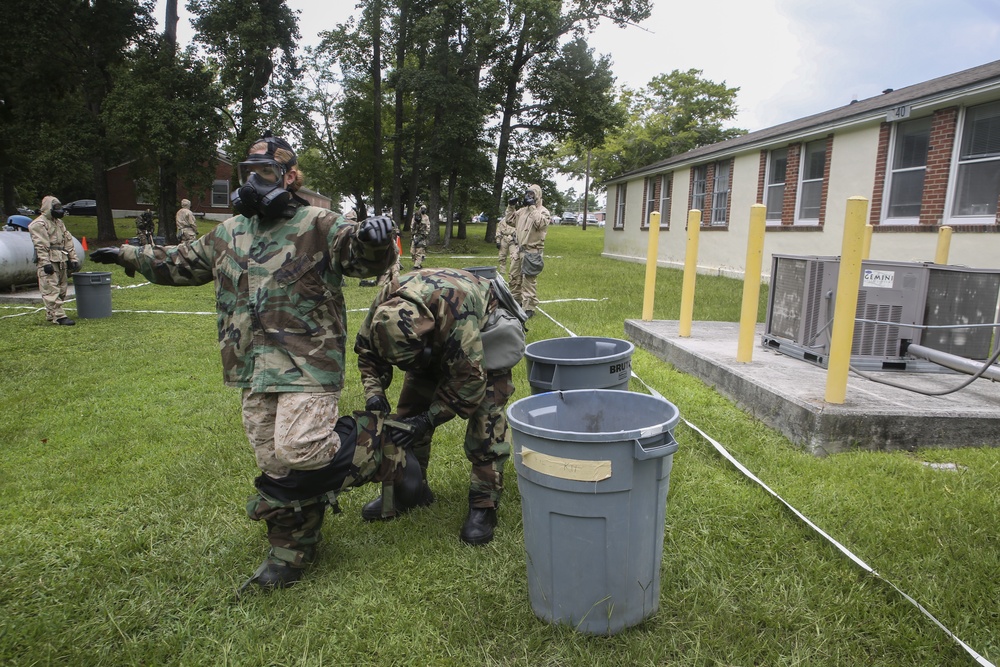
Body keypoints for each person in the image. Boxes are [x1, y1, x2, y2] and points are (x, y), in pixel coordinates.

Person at [90, 131, 402, 591]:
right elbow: (181, 262)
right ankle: (291, 550)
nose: (254, 182)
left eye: (267, 173)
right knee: (274, 462)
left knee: (300, 448)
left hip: (308, 362)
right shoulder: (230, 233)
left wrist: (376, 239)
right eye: (248, 173)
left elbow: (360, 259)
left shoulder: (321, 223)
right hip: (253, 366)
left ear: (290, 176)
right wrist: (127, 254)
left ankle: (384, 446)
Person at [354, 268, 523, 546]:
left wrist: (428, 420)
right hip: (436, 337)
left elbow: (470, 384)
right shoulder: (384, 305)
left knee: (486, 422)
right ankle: (413, 489)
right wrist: (374, 394)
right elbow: (367, 352)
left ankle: (484, 505)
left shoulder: (458, 314)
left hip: (484, 332)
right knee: (408, 413)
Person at [29, 195, 80, 326]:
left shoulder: (59, 223)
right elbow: (41, 245)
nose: (60, 210)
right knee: (51, 288)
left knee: (62, 288)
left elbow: (68, 240)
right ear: (48, 208)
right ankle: (59, 316)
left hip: (61, 258)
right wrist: (45, 263)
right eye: (56, 207)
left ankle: (51, 313)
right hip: (49, 259)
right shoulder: (38, 224)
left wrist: (72, 257)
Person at [510, 184, 550, 319]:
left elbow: (540, 224)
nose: (528, 196)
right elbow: (510, 221)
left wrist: (533, 206)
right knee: (514, 278)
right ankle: (516, 303)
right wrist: (511, 206)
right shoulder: (522, 211)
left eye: (532, 194)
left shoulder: (543, 211)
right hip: (519, 250)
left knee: (528, 280)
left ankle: (529, 308)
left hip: (532, 251)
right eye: (527, 194)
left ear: (537, 195)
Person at [495, 196, 519, 280]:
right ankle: (502, 271)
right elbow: (498, 231)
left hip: (513, 239)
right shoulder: (502, 222)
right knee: (502, 256)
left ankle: (513, 272)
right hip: (504, 239)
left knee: (514, 256)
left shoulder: (517, 220)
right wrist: (498, 241)